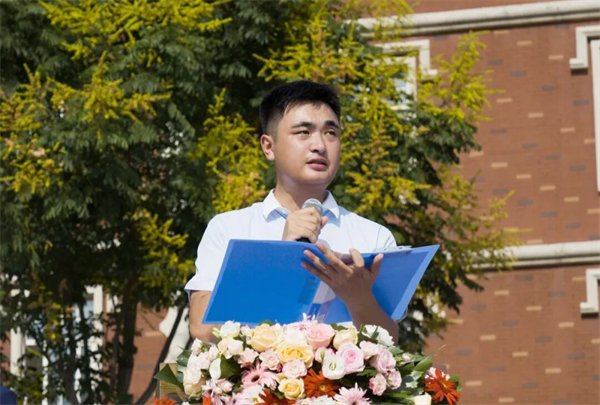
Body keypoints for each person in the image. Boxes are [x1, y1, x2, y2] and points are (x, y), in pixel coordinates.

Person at [185, 80, 400, 343]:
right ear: (268, 147)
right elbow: (202, 328)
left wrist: (359, 299)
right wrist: (283, 258)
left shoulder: (373, 237)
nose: (320, 145)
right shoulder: (229, 228)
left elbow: (389, 341)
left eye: (331, 133)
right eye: (303, 132)